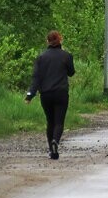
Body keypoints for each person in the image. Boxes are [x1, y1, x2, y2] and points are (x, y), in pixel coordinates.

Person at [25, 30, 75, 159]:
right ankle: (55, 142)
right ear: (60, 40)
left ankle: (51, 151)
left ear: (47, 41)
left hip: (46, 94)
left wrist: (30, 94)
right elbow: (71, 72)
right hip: (61, 93)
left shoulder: (41, 58)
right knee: (59, 122)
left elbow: (36, 77)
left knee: (50, 121)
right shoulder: (66, 56)